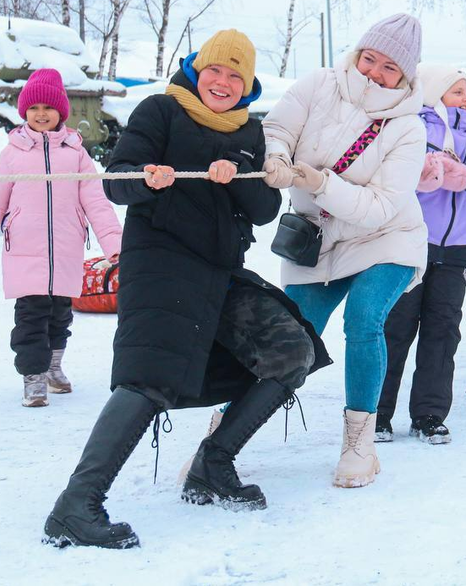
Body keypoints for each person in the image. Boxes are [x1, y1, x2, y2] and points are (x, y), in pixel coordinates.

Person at [43, 30, 326, 549]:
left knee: (290, 351)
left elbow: (264, 210)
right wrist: (147, 178)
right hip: (162, 263)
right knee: (150, 375)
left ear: (246, 85)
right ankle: (76, 506)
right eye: (215, 70)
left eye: (235, 75)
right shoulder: (160, 111)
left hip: (220, 270)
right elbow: (116, 182)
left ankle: (212, 465)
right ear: (198, 71)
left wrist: (239, 174)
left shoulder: (249, 132)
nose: (223, 82)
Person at [262, 14, 427, 486]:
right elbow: (279, 127)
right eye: (369, 57)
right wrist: (275, 155)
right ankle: (226, 432)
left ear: (406, 75)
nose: (374, 71)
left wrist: (320, 182)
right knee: (288, 335)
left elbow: (378, 207)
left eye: (389, 67)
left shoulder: (408, 129)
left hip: (386, 239)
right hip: (316, 241)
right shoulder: (319, 84)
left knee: (364, 318)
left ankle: (360, 444)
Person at [376, 63, 466, 444]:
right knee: (396, 328)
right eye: (458, 91)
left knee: (443, 331)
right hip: (410, 242)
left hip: (457, 244)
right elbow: (392, 174)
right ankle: (377, 414)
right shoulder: (412, 124)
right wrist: (426, 174)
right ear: (434, 92)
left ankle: (429, 415)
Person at [0, 68, 123, 407]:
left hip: (66, 250)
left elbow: (95, 201)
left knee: (61, 316)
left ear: (61, 112)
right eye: (34, 108)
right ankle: (33, 377)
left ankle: (53, 366)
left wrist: (114, 244)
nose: (41, 114)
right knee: (30, 319)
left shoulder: (76, 153)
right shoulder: (13, 153)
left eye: (48, 108)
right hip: (25, 253)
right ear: (24, 112)